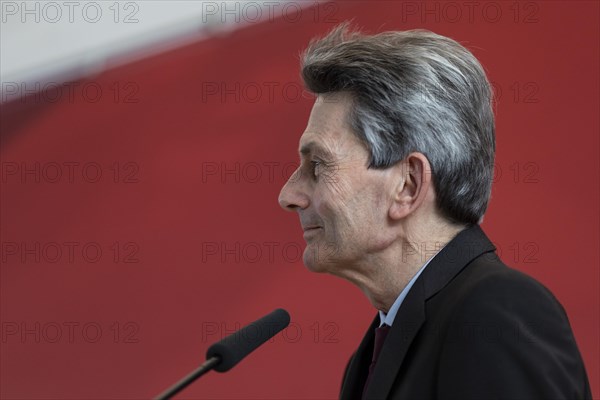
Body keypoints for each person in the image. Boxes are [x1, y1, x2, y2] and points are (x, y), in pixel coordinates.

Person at [278, 23, 592, 400]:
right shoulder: (377, 349)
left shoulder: (495, 315)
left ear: (407, 185)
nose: (289, 195)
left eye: (318, 166)